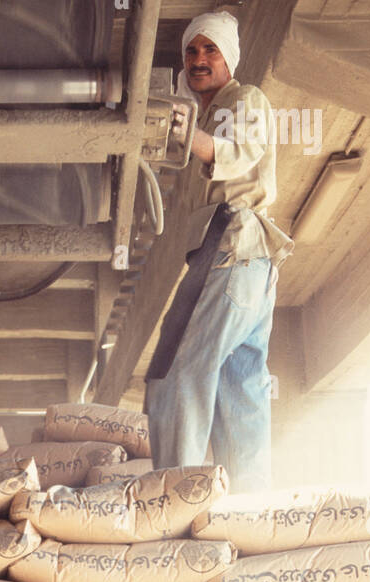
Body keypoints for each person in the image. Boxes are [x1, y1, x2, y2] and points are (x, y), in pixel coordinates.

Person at [145, 10, 293, 492]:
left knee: (177, 368)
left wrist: (179, 129)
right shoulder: (206, 117)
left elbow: (235, 152)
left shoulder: (243, 100)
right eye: (191, 51)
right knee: (240, 388)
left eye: (210, 50)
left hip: (230, 248)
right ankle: (249, 507)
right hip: (252, 265)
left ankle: (172, 498)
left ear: (228, 57)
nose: (199, 60)